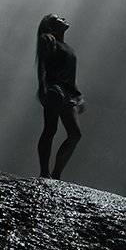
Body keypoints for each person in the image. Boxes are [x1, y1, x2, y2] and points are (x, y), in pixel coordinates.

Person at [35, 14, 85, 180]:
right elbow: (42, 63)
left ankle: (56, 174)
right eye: (58, 18)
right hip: (55, 89)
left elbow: (71, 74)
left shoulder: (68, 47)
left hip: (68, 93)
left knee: (75, 134)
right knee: (50, 129)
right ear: (50, 25)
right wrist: (42, 87)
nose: (63, 18)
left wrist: (78, 94)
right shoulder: (47, 39)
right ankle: (44, 172)